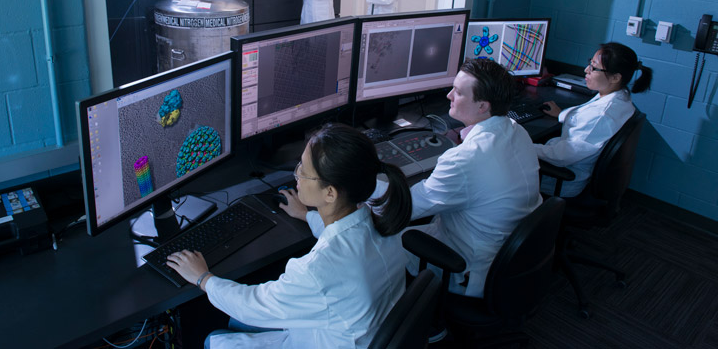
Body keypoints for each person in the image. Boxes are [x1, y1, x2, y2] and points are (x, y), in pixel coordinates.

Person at [166, 123, 412, 349]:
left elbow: (251, 306)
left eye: (303, 171)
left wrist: (203, 278)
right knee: (234, 324)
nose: (296, 176)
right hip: (358, 329)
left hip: (327, 339)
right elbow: (344, 236)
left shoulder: (318, 271)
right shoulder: (382, 220)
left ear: (330, 193)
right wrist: (307, 215)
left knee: (213, 339)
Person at [378, 58, 541, 299]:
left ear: (483, 106)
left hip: (469, 267)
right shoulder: (516, 130)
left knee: (381, 243)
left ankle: (424, 321)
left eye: (459, 92)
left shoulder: (465, 159)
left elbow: (402, 207)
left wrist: (362, 183)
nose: (449, 96)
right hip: (511, 255)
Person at [536, 42, 653, 198]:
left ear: (615, 77)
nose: (586, 70)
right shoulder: (620, 97)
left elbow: (560, 157)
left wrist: (522, 145)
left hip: (562, 179)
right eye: (589, 63)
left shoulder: (602, 114)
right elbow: (587, 119)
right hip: (573, 162)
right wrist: (561, 114)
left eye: (594, 67)